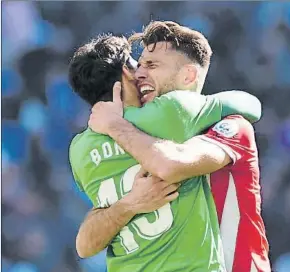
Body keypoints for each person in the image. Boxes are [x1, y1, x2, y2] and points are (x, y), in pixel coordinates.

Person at [69, 24, 262, 272]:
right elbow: (250, 104)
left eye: (151, 65)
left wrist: (115, 126)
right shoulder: (170, 112)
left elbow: (85, 246)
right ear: (126, 74)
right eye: (138, 65)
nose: (141, 73)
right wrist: (130, 203)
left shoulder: (80, 149)